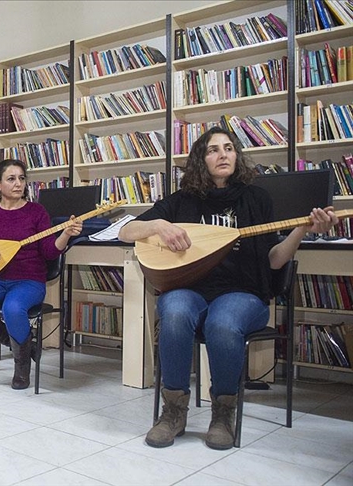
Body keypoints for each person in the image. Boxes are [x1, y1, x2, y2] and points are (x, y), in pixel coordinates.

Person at [118, 126, 338, 450]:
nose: (223, 154)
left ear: (237, 155)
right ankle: (173, 411)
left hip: (243, 292)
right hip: (191, 289)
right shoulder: (181, 202)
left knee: (223, 323)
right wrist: (158, 224)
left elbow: (274, 261)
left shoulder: (256, 198)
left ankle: (223, 413)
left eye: (229, 148)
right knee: (174, 311)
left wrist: (301, 230)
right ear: (200, 160)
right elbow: (126, 231)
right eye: (213, 149)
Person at [0, 159, 82, 390]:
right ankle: (23, 344)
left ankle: (21, 368)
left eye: (22, 178)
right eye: (11, 179)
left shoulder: (36, 212)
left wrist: (66, 235)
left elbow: (50, 252)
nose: (18, 183)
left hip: (29, 280)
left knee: (13, 308)